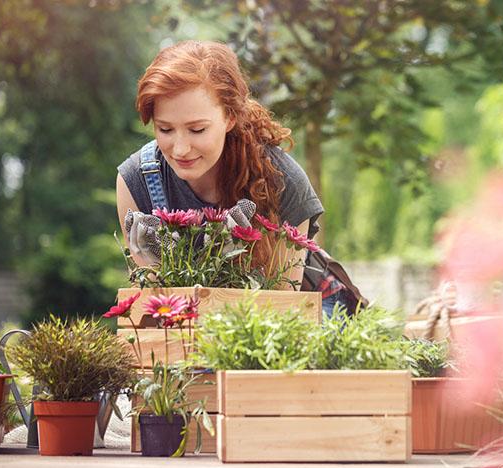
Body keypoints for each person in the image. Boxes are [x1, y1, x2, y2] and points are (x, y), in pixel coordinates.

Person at [116, 40, 350, 316]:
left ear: (229, 117)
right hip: (199, 326)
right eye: (165, 129)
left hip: (309, 312)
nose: (180, 149)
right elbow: (159, 307)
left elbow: (282, 314)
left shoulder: (283, 180)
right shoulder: (137, 181)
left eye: (197, 130)